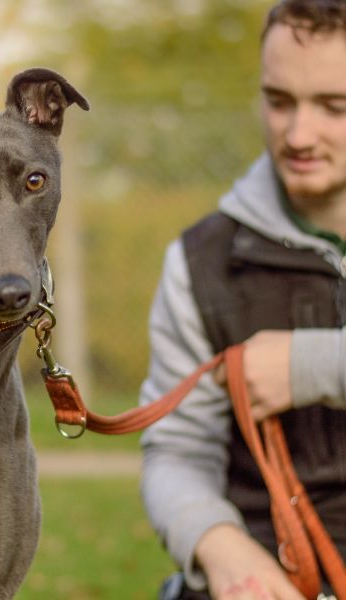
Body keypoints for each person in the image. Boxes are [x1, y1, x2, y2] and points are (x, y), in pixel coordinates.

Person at [139, 1, 346, 598]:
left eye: (333, 106)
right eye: (279, 101)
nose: (298, 134)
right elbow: (176, 450)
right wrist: (218, 546)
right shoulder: (201, 260)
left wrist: (314, 367)